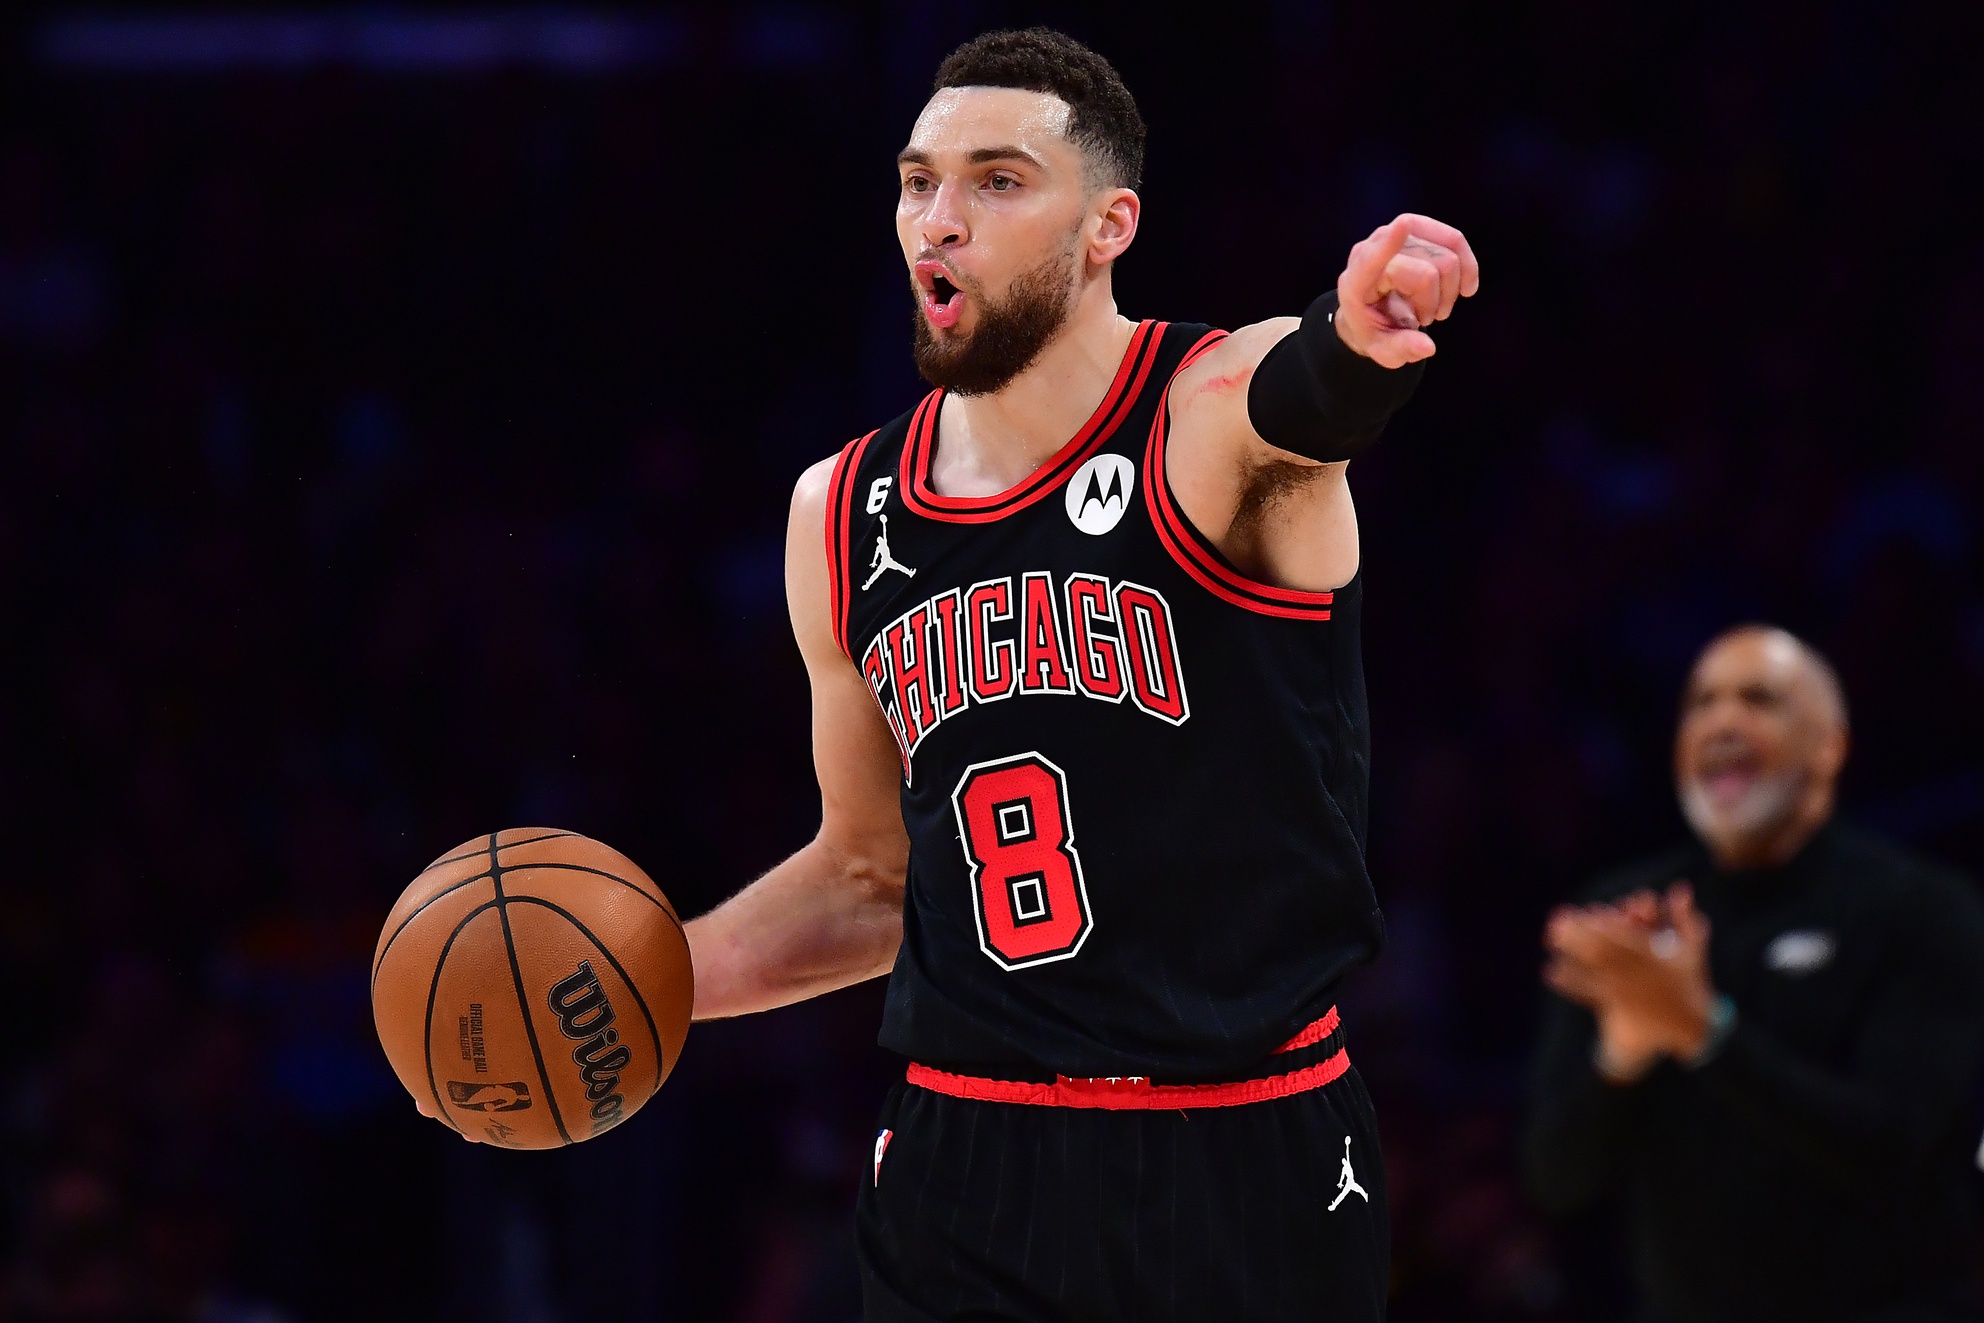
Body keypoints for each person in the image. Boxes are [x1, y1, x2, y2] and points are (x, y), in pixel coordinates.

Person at [684, 27, 1477, 1321]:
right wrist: (647, 981)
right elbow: (874, 878)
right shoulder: (837, 510)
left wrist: (1354, 336)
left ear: (1110, 224)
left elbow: (1296, 394)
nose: (939, 220)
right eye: (917, 180)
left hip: (1245, 1142)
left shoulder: (1200, 411)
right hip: (965, 1151)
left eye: (997, 181)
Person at [1524, 625, 1984, 1323]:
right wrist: (1623, 1051)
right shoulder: (1626, 925)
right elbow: (1556, 1178)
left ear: (1830, 745)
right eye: (1701, 702)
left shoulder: (1923, 910)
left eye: (1760, 699)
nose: (1723, 721)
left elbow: (1904, 1151)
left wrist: (1706, 1032)